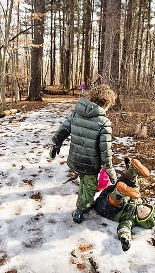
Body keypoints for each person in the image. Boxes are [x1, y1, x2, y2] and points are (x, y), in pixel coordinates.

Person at [49, 84, 119, 224]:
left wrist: (56, 143)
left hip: (75, 159)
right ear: (105, 103)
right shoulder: (103, 122)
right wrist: (109, 169)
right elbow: (105, 149)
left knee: (84, 181)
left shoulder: (77, 113)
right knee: (89, 186)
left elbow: (63, 129)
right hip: (90, 164)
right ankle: (80, 210)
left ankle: (84, 201)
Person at [93, 157, 155, 251]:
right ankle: (133, 170)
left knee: (115, 204)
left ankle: (120, 192)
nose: (141, 208)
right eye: (144, 207)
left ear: (139, 219)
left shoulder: (130, 219)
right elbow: (135, 187)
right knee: (130, 185)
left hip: (104, 205)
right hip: (114, 189)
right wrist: (131, 174)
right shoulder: (137, 200)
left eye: (141, 212)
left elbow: (125, 228)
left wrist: (124, 238)